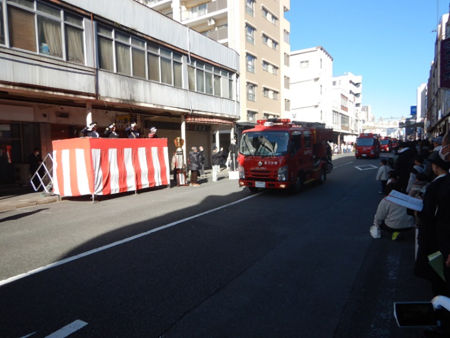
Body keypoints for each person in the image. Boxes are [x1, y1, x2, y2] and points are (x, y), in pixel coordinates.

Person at [415, 152, 450, 296]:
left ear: (435, 167)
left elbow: (428, 214)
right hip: (442, 238)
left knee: (438, 275)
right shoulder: (447, 182)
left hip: (437, 238)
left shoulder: (435, 186)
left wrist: (417, 212)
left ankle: (440, 307)